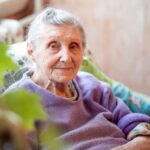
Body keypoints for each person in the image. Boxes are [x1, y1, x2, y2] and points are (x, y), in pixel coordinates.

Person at [4, 7, 150, 150]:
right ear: (31, 51)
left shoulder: (92, 85)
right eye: (53, 45)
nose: (66, 58)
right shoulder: (15, 104)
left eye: (74, 46)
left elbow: (132, 122)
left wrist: (140, 140)